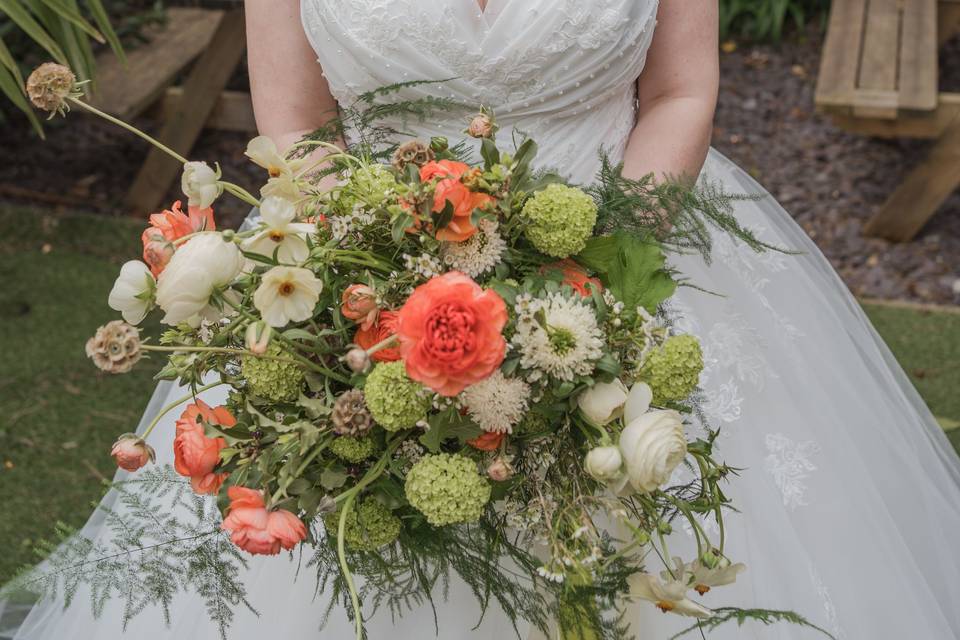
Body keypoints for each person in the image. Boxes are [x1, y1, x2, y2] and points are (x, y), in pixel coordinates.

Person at [4, 1, 960, 638]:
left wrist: (594, 263)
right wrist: (383, 273)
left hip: (635, 250)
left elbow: (680, 91)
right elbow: (294, 125)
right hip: (367, 281)